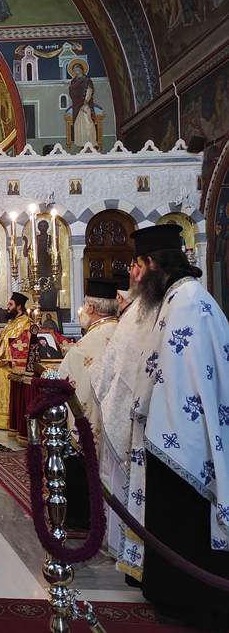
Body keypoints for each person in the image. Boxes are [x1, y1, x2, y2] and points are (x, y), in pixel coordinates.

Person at [121, 224, 229, 628]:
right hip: (173, 432)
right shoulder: (177, 298)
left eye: (138, 265)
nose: (135, 277)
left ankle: (187, 599)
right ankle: (172, 593)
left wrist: (154, 419)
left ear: (152, 263)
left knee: (184, 519)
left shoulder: (186, 303)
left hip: (185, 440)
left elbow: (183, 378)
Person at [89, 260, 158, 570]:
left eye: (137, 265)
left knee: (122, 480)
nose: (133, 272)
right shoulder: (140, 313)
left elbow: (110, 370)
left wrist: (95, 376)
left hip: (133, 413)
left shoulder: (141, 314)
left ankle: (121, 545)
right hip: (135, 411)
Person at [57, 278, 119, 530]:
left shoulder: (85, 345)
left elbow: (63, 380)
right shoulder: (124, 331)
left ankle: (80, 518)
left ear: (92, 308)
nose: (81, 310)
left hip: (91, 426)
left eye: (83, 305)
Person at [0, 292, 32, 430]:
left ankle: (10, 422)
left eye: (10, 304)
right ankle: (0, 422)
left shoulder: (26, 323)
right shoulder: (12, 323)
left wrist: (5, 356)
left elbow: (23, 345)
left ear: (19, 307)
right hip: (3, 364)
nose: (7, 307)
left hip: (11, 366)